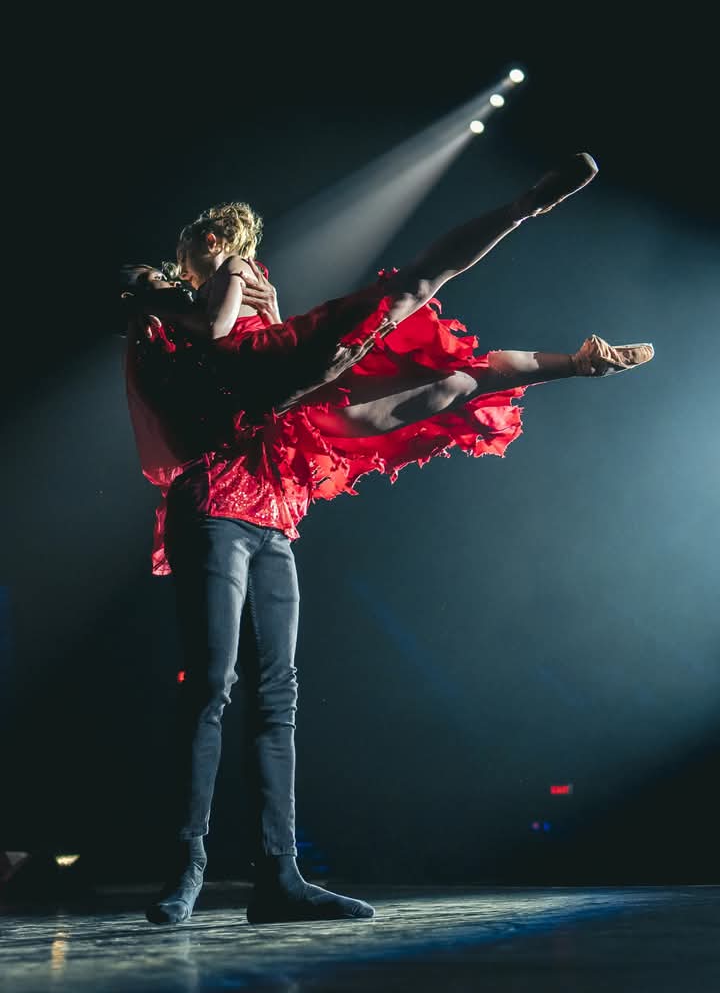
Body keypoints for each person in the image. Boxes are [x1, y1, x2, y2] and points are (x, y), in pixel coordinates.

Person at [123, 153, 653, 926]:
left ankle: (279, 876)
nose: (210, 255)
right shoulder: (168, 297)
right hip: (215, 494)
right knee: (211, 684)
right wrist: (219, 286)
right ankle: (187, 868)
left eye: (217, 247)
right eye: (205, 248)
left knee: (440, 368)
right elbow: (203, 338)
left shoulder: (250, 291)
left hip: (273, 489)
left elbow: (268, 342)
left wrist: (261, 298)